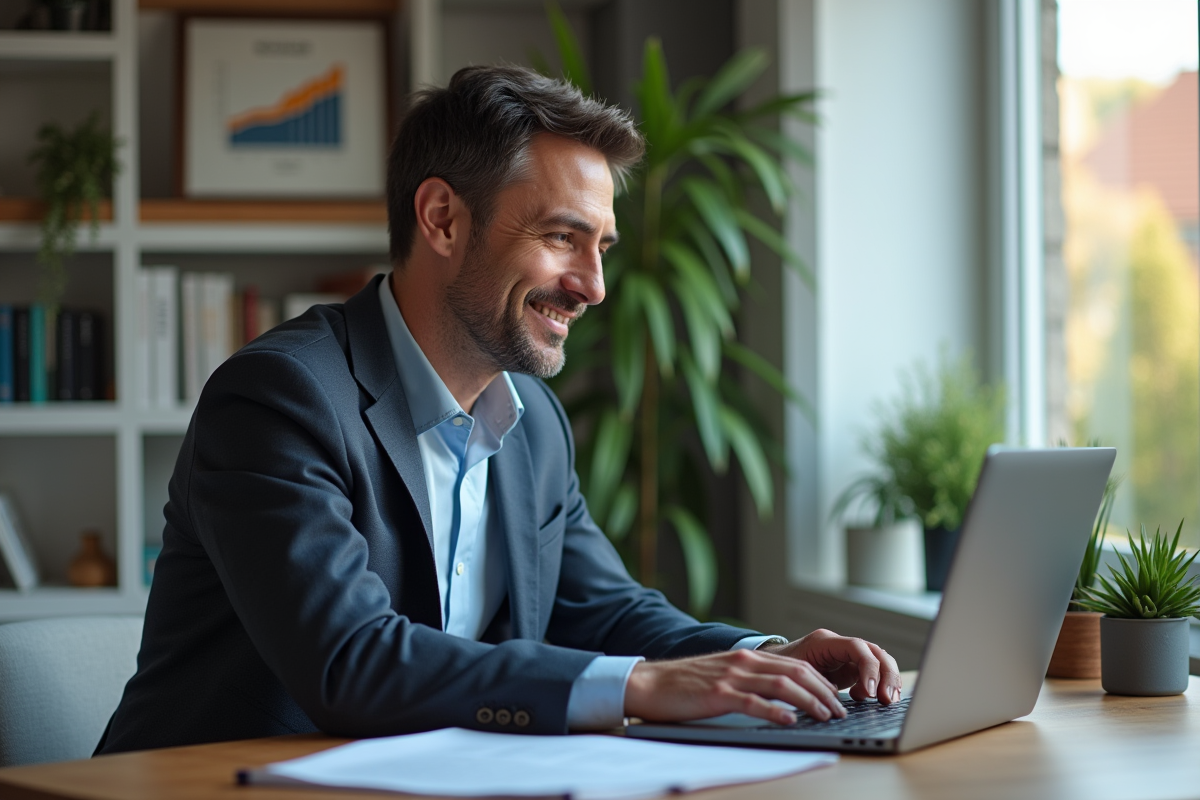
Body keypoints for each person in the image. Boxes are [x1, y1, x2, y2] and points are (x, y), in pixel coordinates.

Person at [97, 65, 900, 755]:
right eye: (562, 237)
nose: (593, 286)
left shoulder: (533, 424)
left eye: (601, 247)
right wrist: (644, 688)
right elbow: (350, 660)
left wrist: (766, 655)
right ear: (443, 218)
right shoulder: (282, 396)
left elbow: (603, 612)